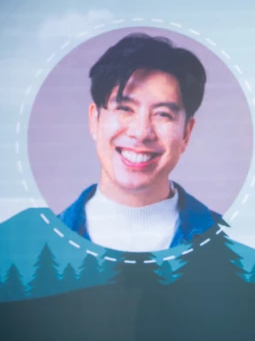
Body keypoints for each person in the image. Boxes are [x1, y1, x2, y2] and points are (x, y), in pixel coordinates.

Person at [58, 33, 220, 253]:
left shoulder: (234, 244)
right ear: (94, 120)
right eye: (125, 109)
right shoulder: (35, 245)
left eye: (162, 114)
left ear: (186, 133)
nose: (142, 132)